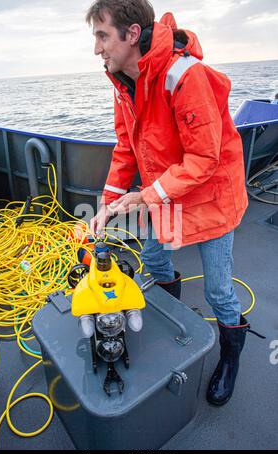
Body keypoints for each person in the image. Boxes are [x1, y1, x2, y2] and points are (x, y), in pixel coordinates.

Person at [86, 0, 249, 406]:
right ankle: (168, 311)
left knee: (218, 291)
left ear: (132, 35)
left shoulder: (184, 75)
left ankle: (231, 353)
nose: (97, 48)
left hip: (211, 195)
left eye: (103, 36)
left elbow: (204, 158)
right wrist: (108, 204)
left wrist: (145, 196)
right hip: (165, 192)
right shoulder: (121, 80)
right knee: (154, 257)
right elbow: (126, 147)